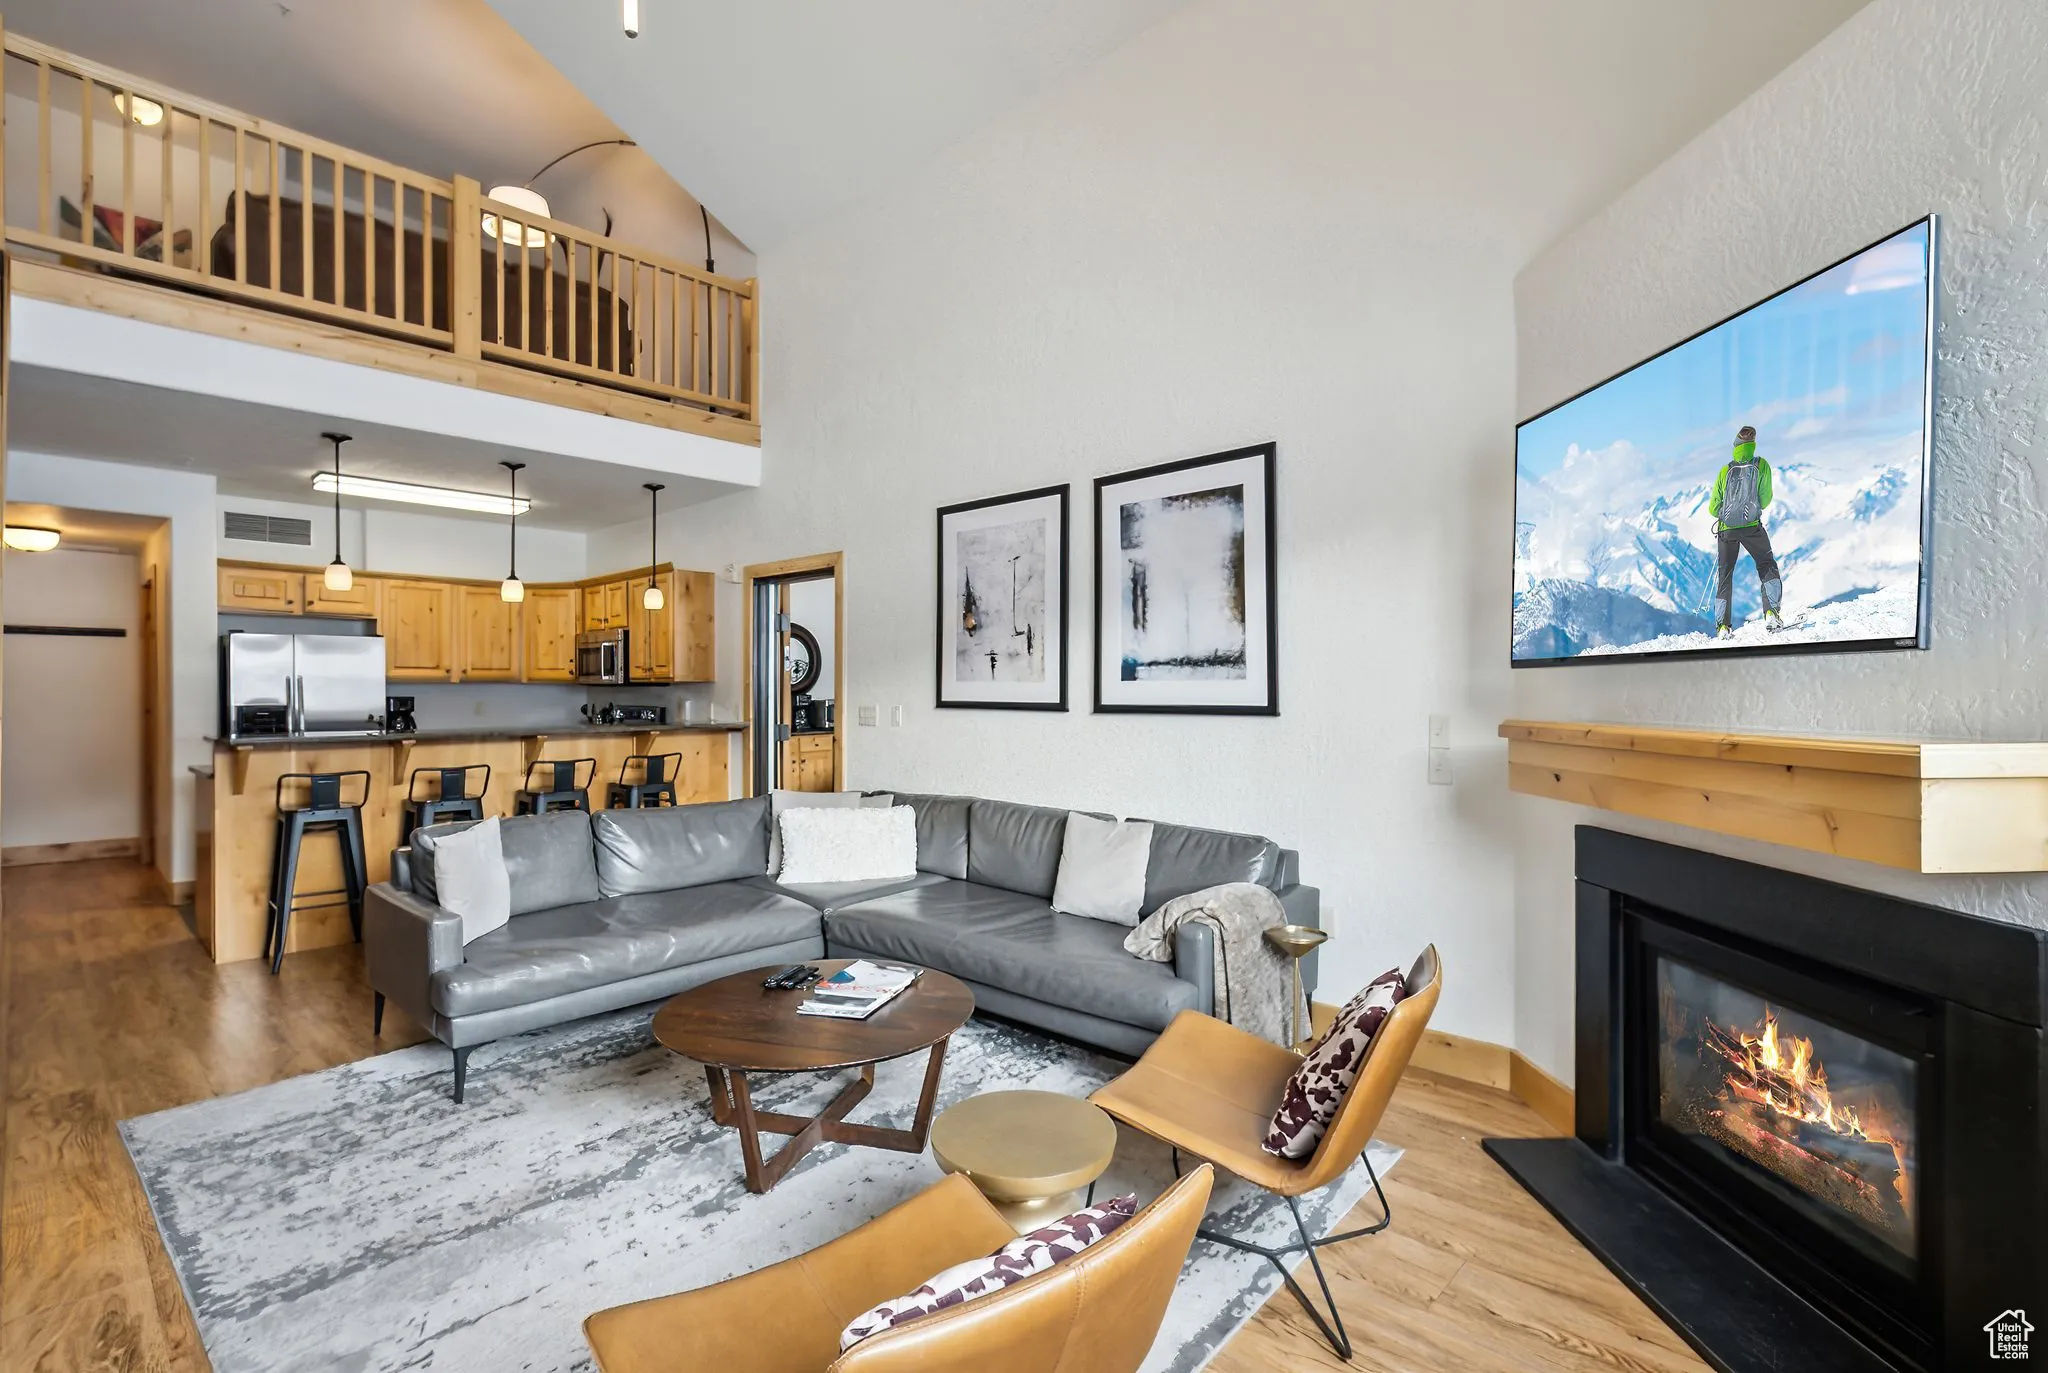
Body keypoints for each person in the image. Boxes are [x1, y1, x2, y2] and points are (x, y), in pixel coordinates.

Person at [1709, 424, 1782, 637]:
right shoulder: (1762, 465)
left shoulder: (1725, 470)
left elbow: (1713, 507)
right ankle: (1771, 613)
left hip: (1727, 530)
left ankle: (1723, 627)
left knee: (1725, 575)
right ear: (1753, 443)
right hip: (1751, 527)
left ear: (1736, 444)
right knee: (1766, 564)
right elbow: (1766, 499)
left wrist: (1729, 511)